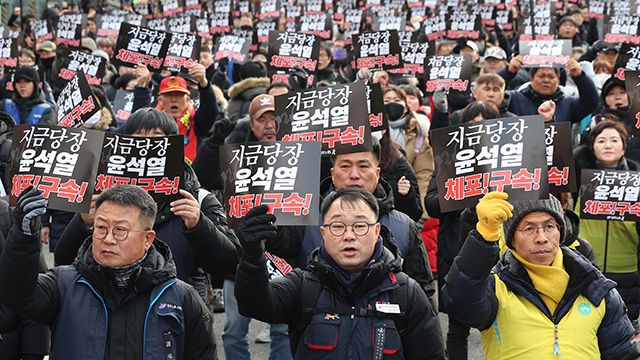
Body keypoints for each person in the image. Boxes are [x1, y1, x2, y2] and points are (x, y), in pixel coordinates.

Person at [0, 185, 218, 359]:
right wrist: (23, 236)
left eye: (121, 230)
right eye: (101, 227)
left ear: (148, 239)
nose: (109, 238)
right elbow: (16, 294)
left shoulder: (181, 297)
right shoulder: (64, 283)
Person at [234, 188, 446, 359]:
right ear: (323, 233)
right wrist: (252, 255)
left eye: (360, 225)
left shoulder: (406, 292)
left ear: (376, 231)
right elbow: (254, 304)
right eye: (338, 226)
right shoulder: (303, 285)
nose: (349, 235)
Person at [55, 108, 239, 303]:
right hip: (111, 307)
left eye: (157, 138)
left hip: (178, 310)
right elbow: (63, 258)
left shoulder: (198, 200)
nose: (146, 145)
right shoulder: (103, 198)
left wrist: (199, 226)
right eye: (138, 137)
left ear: (173, 145)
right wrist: (84, 224)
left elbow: (229, 264)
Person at [443, 191, 640, 359]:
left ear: (560, 232)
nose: (542, 238)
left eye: (549, 226)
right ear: (512, 239)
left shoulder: (596, 288)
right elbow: (460, 303)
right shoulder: (497, 287)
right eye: (529, 229)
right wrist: (483, 238)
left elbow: (623, 353)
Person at [193, 95, 293, 360]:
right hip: (242, 256)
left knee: (283, 329)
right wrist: (214, 142)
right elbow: (203, 174)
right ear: (252, 123)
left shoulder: (297, 153)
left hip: (286, 255)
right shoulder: (236, 153)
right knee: (233, 330)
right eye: (262, 119)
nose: (269, 124)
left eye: (274, 118)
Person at [574, 120, 640, 333]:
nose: (608, 145)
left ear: (624, 146)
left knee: (623, 338)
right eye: (601, 140)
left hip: (627, 267)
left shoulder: (637, 178)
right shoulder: (578, 176)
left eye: (614, 140)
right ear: (592, 146)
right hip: (584, 265)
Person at [131, 63, 218, 164]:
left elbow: (210, 111)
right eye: (168, 95)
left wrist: (204, 83)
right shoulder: (151, 122)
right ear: (160, 101)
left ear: (187, 100)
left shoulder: (196, 123)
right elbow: (137, 121)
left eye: (179, 95)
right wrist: (141, 85)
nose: (174, 99)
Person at [382, 85, 434, 221]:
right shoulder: (371, 132)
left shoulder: (418, 133)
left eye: (397, 100)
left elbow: (423, 175)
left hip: (405, 201)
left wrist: (422, 213)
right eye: (386, 100)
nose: (392, 104)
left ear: (405, 106)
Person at [498, 56, 598, 123]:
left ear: (558, 80)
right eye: (541, 76)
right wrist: (509, 72)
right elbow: (490, 95)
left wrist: (579, 76)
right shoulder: (514, 99)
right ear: (531, 79)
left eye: (551, 77)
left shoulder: (568, 104)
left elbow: (591, 101)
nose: (546, 80)